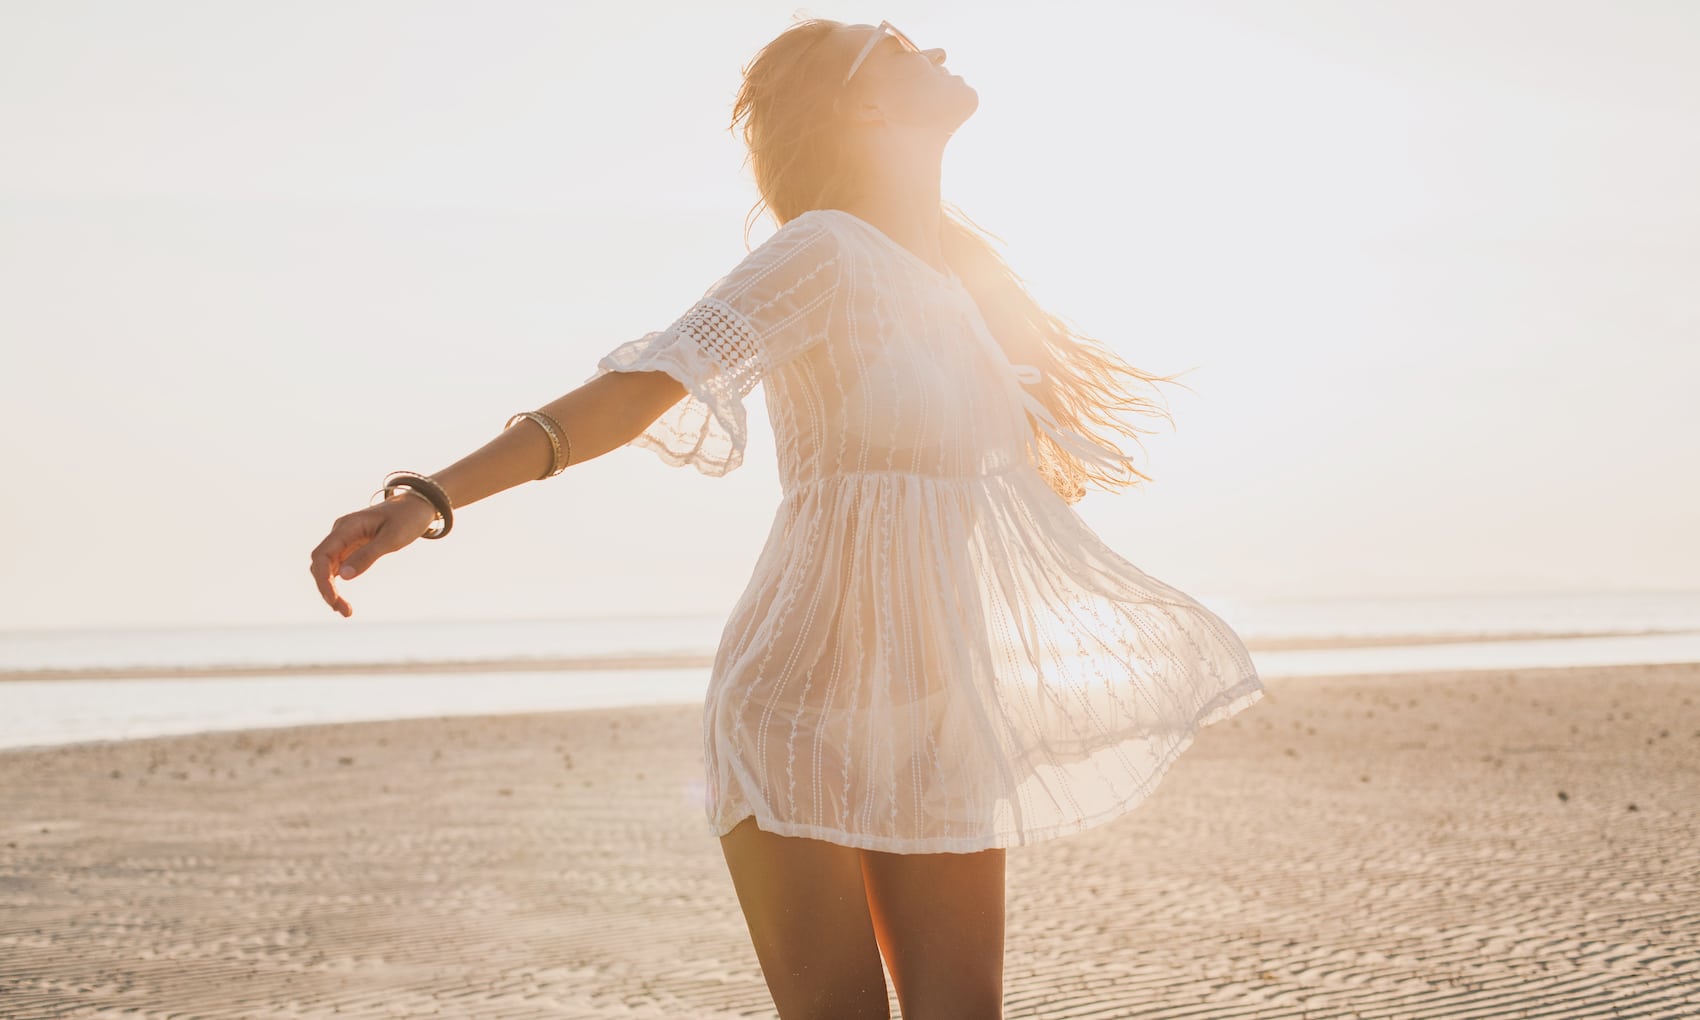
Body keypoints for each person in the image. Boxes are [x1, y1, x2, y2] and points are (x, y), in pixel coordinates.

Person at [309, 18, 1264, 1020]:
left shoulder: (958, 287)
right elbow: (638, 392)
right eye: (894, 43)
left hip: (940, 710)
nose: (933, 49)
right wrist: (427, 499)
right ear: (864, 106)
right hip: (801, 708)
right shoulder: (823, 252)